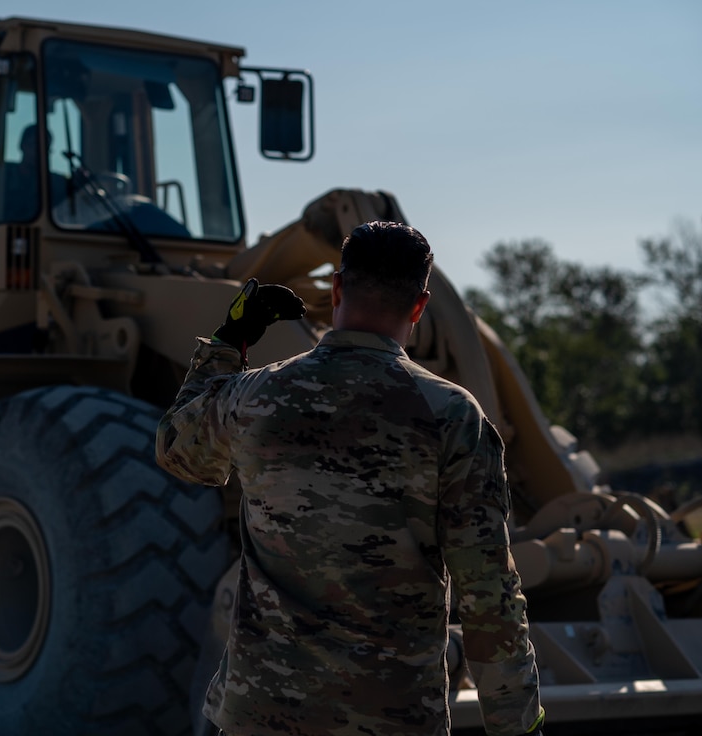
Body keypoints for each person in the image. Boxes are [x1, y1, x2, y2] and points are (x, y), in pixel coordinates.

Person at [156, 221, 544, 736]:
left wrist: (229, 342)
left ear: (338, 288)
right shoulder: (453, 416)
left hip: (260, 715)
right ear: (420, 306)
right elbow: (488, 592)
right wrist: (517, 725)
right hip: (392, 719)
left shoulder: (255, 397)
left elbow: (179, 452)